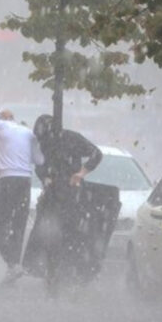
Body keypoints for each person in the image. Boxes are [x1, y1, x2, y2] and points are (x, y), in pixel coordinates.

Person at [26, 114, 118, 292]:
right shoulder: (45, 143)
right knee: (50, 235)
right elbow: (39, 165)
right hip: (54, 196)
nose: (43, 140)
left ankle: (67, 272)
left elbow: (96, 154)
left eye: (44, 136)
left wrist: (81, 173)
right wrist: (45, 178)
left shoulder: (72, 139)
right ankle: (52, 273)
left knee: (70, 234)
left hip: (72, 195)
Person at [0, 109, 44, 285]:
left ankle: (12, 264)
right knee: (18, 224)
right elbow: (39, 160)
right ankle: (13, 266)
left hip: (8, 180)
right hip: (25, 181)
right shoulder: (28, 133)